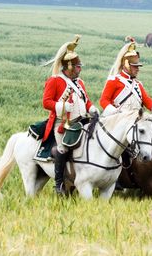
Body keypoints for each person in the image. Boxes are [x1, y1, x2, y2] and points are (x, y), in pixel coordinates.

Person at [42, 35, 99, 195]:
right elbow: (46, 102)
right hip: (62, 123)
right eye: (78, 67)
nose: (80, 69)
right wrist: (61, 106)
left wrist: (92, 108)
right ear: (68, 67)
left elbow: (85, 100)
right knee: (63, 149)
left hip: (81, 122)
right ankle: (59, 184)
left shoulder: (79, 83)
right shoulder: (55, 81)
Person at [100, 37, 152, 116]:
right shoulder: (114, 81)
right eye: (135, 66)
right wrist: (114, 111)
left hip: (135, 121)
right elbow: (104, 100)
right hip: (118, 119)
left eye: (138, 66)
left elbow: (147, 100)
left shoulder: (138, 84)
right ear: (126, 65)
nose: (137, 69)